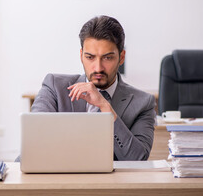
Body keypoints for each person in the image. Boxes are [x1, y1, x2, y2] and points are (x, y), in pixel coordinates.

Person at [20, 15, 156, 161]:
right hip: (60, 179)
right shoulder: (54, 87)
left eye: (107, 58)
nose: (98, 68)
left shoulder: (143, 103)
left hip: (112, 183)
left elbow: (138, 159)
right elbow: (34, 142)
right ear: (81, 55)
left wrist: (105, 107)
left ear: (121, 57)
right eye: (90, 57)